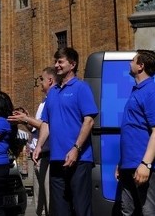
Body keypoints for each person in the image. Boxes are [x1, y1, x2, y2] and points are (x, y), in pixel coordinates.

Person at [33, 47, 99, 216]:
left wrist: (76, 149)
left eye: (60, 62)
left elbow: (89, 120)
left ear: (72, 64)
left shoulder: (81, 88)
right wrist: (39, 146)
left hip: (79, 160)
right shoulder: (53, 92)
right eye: (55, 62)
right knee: (59, 210)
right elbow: (46, 123)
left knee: (80, 208)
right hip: (56, 159)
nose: (56, 65)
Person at [115, 50, 155, 216]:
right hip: (129, 165)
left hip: (145, 167)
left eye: (132, 60)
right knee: (127, 211)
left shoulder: (153, 92)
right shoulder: (137, 91)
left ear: (141, 66)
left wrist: (146, 164)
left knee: (152, 212)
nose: (129, 63)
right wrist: (122, 163)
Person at [9, 67, 56, 216]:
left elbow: (47, 125)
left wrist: (27, 119)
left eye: (41, 79)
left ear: (50, 80)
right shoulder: (43, 102)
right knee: (39, 204)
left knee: (49, 201)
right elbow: (37, 129)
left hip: (47, 154)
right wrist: (26, 122)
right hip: (38, 156)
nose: (39, 82)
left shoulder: (53, 100)